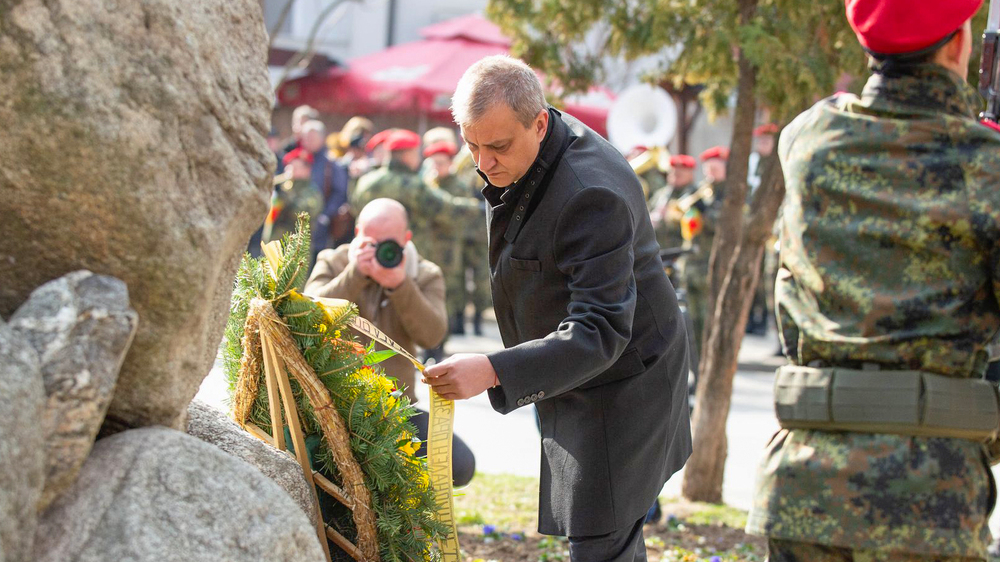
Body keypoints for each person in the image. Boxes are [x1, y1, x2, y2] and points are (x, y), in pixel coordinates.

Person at [746, 1, 1000, 560]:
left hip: (801, 486)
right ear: (959, 45)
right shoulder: (986, 164)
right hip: (929, 500)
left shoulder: (807, 140)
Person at [423, 55, 691, 562]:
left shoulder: (590, 195)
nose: (483, 163)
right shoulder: (535, 146)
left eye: (498, 146)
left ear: (540, 122)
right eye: (471, 145)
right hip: (575, 371)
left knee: (598, 539)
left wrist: (492, 370)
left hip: (624, 383)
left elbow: (601, 330)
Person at [303, 198, 475, 486]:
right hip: (332, 406)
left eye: (389, 244)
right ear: (357, 233)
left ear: (406, 239)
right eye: (371, 241)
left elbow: (432, 335)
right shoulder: (334, 261)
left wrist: (400, 286)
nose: (381, 251)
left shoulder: (423, 273)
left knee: (459, 464)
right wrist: (355, 274)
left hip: (396, 409)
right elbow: (309, 318)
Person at [680, 145, 728, 357]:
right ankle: (697, 369)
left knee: (711, 321)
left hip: (713, 265)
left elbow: (725, 225)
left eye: (715, 169)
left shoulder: (731, 193)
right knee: (693, 323)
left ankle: (709, 365)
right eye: (709, 169)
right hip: (693, 265)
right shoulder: (702, 191)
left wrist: (705, 212)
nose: (711, 174)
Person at [301, 120, 350, 257]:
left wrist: (325, 215)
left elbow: (340, 192)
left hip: (320, 227)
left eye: (312, 138)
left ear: (322, 138)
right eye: (306, 137)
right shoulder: (299, 159)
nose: (308, 141)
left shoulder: (331, 164)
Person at [263, 148, 323, 246]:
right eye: (289, 166)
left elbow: (301, 214)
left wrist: (284, 197)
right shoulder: (284, 186)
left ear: (307, 170)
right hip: (273, 243)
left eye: (296, 167)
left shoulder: (312, 192)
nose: (290, 170)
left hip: (296, 248)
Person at [648, 154, 695, 252]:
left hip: (682, 250)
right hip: (659, 248)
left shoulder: (694, 194)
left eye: (680, 173)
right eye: (672, 172)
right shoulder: (661, 193)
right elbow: (646, 212)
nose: (674, 175)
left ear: (690, 175)